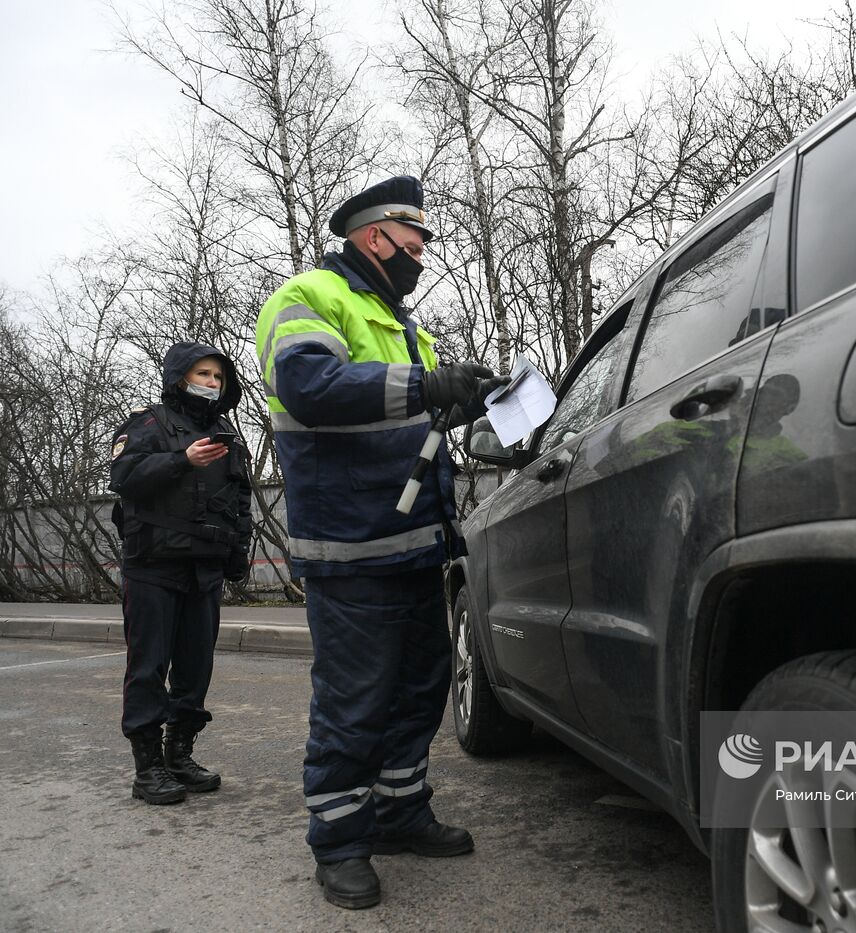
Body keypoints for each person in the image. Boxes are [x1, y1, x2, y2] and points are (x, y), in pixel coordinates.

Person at [255, 175, 507, 910]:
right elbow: (313, 387)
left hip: (413, 545)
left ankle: (399, 811)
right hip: (351, 547)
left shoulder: (400, 322)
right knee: (354, 702)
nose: (422, 255)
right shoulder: (308, 297)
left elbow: (406, 415)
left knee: (420, 690)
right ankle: (338, 844)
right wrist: (429, 386)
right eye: (415, 241)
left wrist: (468, 396)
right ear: (377, 236)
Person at [109, 342, 253, 805]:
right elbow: (123, 477)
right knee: (148, 668)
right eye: (203, 374)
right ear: (179, 378)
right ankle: (147, 767)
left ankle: (179, 755)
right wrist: (181, 460)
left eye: (218, 377)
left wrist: (239, 548)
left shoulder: (228, 434)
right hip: (153, 565)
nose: (211, 383)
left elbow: (241, 497)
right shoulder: (149, 423)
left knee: (195, 667)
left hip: (204, 569)